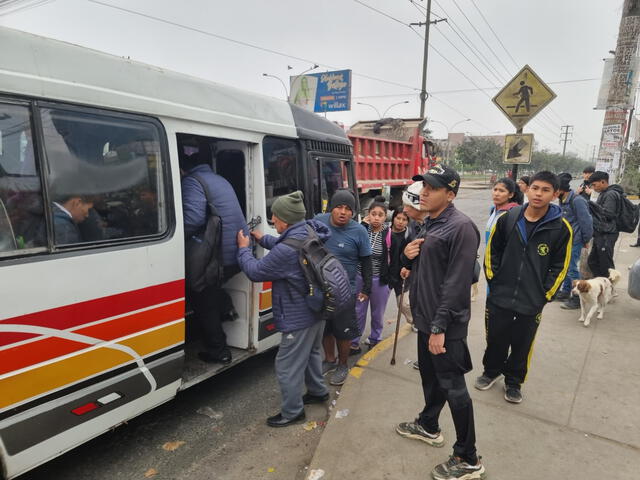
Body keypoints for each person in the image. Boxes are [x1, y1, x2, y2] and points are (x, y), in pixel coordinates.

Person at [396, 165, 484, 480]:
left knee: (454, 387)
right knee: (432, 379)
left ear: (450, 194)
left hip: (444, 324)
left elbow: (458, 283)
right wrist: (407, 256)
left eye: (431, 188)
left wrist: (439, 328)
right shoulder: (431, 223)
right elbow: (420, 263)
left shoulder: (461, 227)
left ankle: (468, 456)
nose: (424, 192)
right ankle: (429, 424)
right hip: (426, 318)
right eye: (423, 186)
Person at [236, 191, 329, 427]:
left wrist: (243, 249)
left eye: (274, 216)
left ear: (285, 219)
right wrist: (263, 239)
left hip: (298, 316)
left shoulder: (287, 250)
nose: (272, 219)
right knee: (312, 353)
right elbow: (285, 245)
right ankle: (318, 392)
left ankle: (292, 412)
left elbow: (256, 271)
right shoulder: (307, 231)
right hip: (317, 308)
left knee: (286, 366)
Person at [478, 171, 572, 404]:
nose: (539, 194)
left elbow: (560, 267)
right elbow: (492, 252)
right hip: (500, 295)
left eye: (545, 190)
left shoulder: (560, 228)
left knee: (523, 343)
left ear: (555, 194)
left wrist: (544, 295)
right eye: (535, 188)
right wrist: (495, 281)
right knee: (495, 338)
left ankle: (514, 382)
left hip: (531, 300)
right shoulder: (509, 219)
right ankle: (491, 372)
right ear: (527, 190)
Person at [180, 150, 247, 365]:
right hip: (234, 252)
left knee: (200, 296)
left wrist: (174, 239)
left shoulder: (192, 182)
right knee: (211, 290)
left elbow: (192, 219)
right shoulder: (219, 179)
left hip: (217, 256)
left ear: (182, 168)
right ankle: (226, 309)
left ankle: (219, 351)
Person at [315, 189, 372, 386]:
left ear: (353, 212)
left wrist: (366, 289)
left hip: (345, 290)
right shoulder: (318, 222)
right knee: (326, 328)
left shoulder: (359, 231)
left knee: (343, 331)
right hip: (321, 288)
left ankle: (342, 364)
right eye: (339, 207)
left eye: (348, 209)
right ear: (332, 208)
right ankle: (329, 359)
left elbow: (366, 262)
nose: (343, 212)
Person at [351, 199, 391, 353]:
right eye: (373, 214)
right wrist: (363, 225)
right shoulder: (362, 230)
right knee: (358, 310)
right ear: (368, 214)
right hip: (361, 277)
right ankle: (354, 340)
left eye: (380, 215)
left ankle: (375, 337)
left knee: (377, 312)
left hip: (380, 280)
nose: (376, 217)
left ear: (385, 217)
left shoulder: (388, 233)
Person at [557, 173, 593, 309]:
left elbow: (587, 222)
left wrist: (586, 239)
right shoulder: (563, 199)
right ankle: (566, 291)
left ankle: (577, 298)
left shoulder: (577, 200)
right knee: (565, 267)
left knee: (572, 268)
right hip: (565, 240)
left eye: (555, 189)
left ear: (561, 189)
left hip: (575, 240)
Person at [587, 171, 621, 277]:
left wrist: (593, 206)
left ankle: (610, 288)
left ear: (602, 182)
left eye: (594, 185)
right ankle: (601, 283)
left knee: (606, 264)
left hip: (608, 233)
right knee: (593, 261)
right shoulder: (604, 193)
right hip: (601, 232)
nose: (593, 187)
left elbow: (609, 214)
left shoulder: (610, 194)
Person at [387, 209, 412, 324]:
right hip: (385, 274)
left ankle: (415, 321)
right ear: (393, 218)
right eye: (398, 218)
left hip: (401, 274)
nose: (400, 222)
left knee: (403, 303)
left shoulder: (409, 236)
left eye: (404, 219)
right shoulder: (385, 232)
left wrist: (408, 267)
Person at [486, 178, 522, 244]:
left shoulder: (513, 213)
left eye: (501, 191)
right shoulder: (493, 210)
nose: (496, 194)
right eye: (495, 190)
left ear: (511, 195)